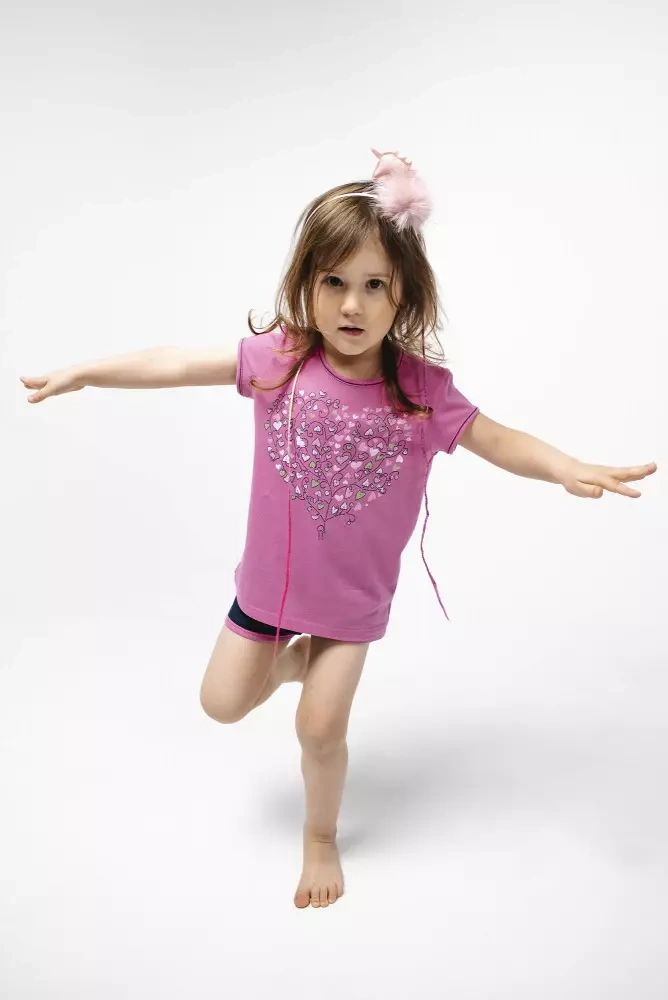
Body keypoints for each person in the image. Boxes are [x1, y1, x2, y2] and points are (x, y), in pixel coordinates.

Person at [20, 149, 657, 910]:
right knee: (221, 704)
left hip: (350, 604)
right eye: (333, 283)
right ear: (307, 285)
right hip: (269, 589)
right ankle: (292, 661)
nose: (352, 305)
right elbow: (178, 362)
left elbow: (498, 439)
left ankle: (320, 836)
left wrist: (565, 466)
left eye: (374, 285)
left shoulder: (419, 390)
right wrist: (88, 371)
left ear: (403, 294)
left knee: (320, 730)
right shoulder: (280, 360)